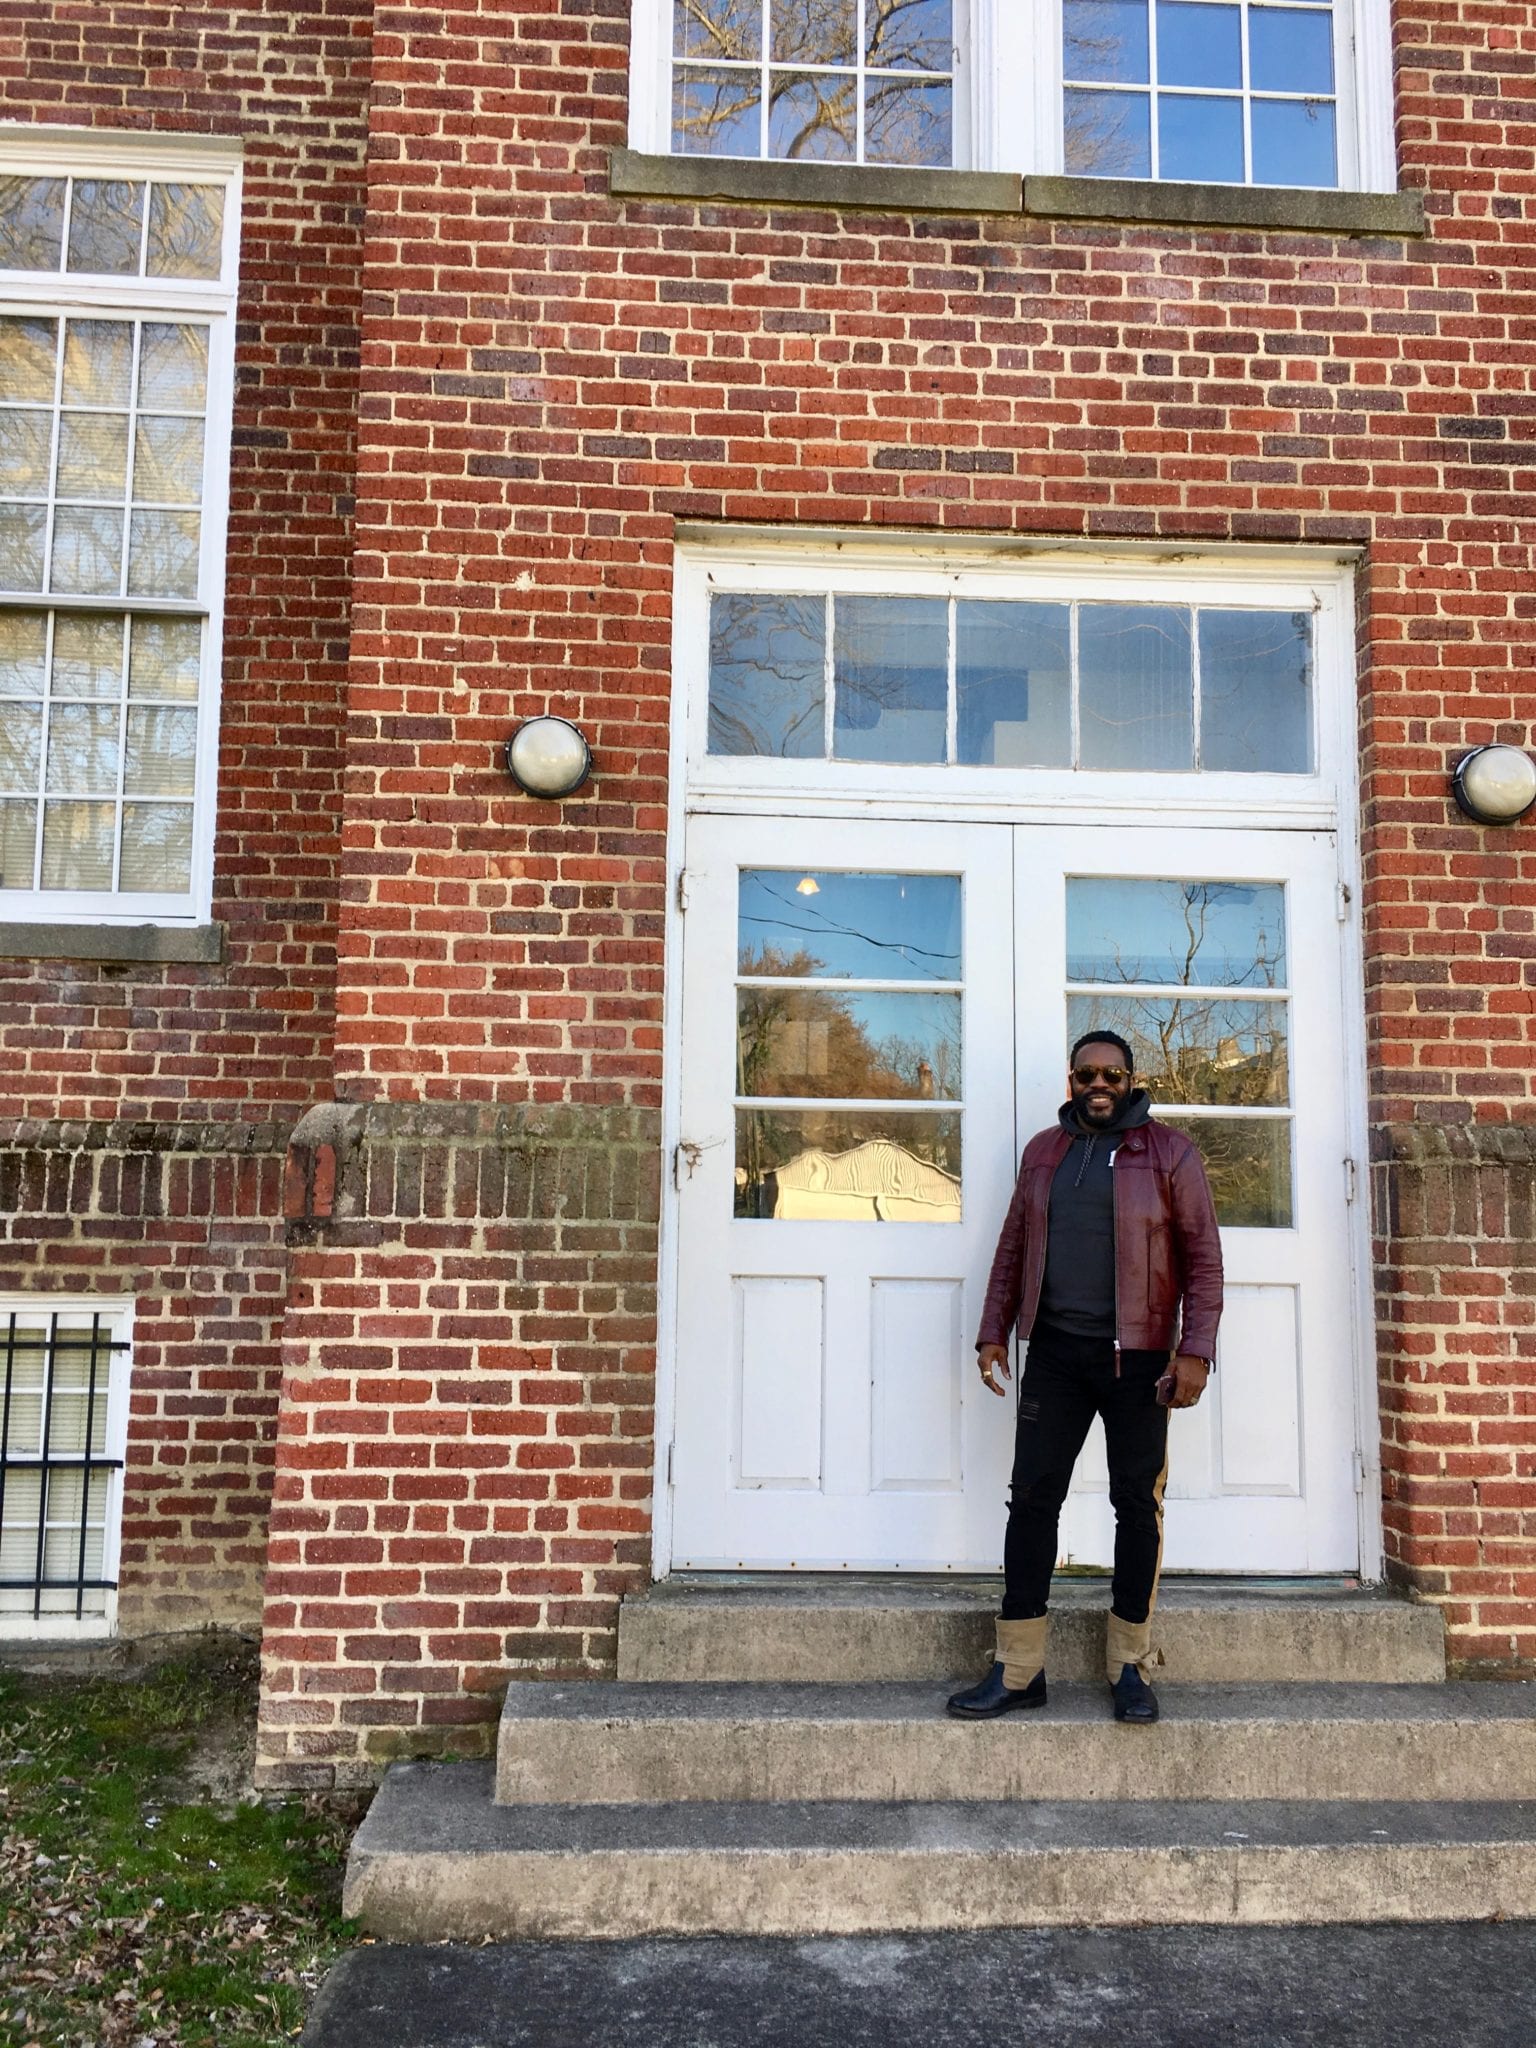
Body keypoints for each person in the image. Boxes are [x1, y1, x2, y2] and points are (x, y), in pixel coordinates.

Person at [947, 1031, 1223, 1726]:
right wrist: (993, 1328)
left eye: (1112, 1074)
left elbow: (1204, 1261)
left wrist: (1196, 1350)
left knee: (1136, 1504)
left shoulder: (1171, 1154)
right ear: (1071, 1080)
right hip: (1055, 1356)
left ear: (1131, 1081)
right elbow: (1013, 1245)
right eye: (1087, 1074)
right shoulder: (1044, 1151)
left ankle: (1129, 1665)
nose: (1099, 1084)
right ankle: (1018, 1669)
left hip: (1141, 1360)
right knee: (1031, 1500)